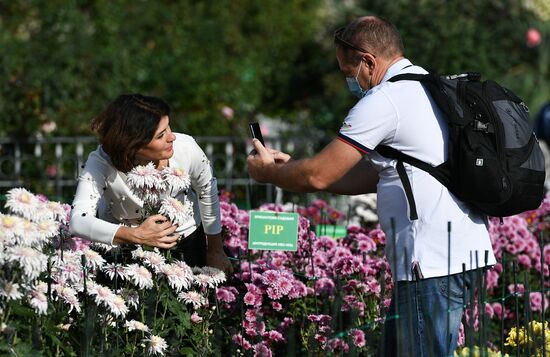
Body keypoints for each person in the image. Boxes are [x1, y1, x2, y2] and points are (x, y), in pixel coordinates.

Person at [247, 16, 496, 356]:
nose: (351, 81)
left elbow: (318, 175)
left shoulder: (385, 100)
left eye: (349, 72)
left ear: (368, 60)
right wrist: (291, 168)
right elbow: (373, 174)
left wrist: (269, 174)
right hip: (457, 253)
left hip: (431, 261)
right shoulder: (431, 86)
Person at [69, 94, 232, 275]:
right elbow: (78, 221)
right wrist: (136, 235)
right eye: (161, 135)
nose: (172, 138)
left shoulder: (187, 148)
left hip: (188, 242)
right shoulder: (100, 162)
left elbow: (207, 191)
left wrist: (216, 250)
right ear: (133, 145)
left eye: (169, 127)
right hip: (127, 250)